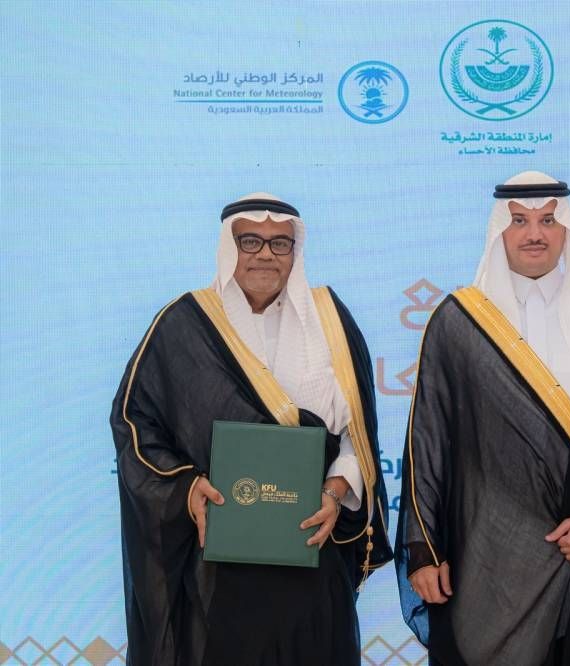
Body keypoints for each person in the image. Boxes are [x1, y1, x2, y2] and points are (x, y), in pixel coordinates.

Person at [111, 193, 392, 665]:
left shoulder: (330, 320)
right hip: (217, 563)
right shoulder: (185, 323)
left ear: (295, 251)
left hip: (310, 549)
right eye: (251, 241)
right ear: (229, 247)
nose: (265, 254)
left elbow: (357, 434)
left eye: (280, 243)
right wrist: (186, 485)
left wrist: (336, 488)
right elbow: (134, 423)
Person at [396, 171, 570, 665]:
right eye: (519, 220)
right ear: (499, 230)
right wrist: (424, 550)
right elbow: (428, 443)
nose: (534, 233)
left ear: (568, 230)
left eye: (548, 221)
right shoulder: (460, 322)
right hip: (488, 559)